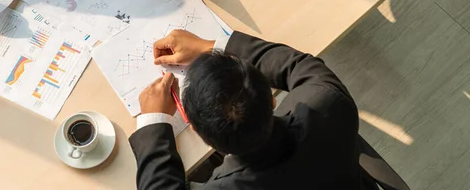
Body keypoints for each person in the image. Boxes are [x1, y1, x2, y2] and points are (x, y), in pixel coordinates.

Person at [129, 29, 374, 189]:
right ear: (272, 99)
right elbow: (297, 64)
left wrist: (153, 120)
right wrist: (211, 46)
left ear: (198, 132)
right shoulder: (329, 103)